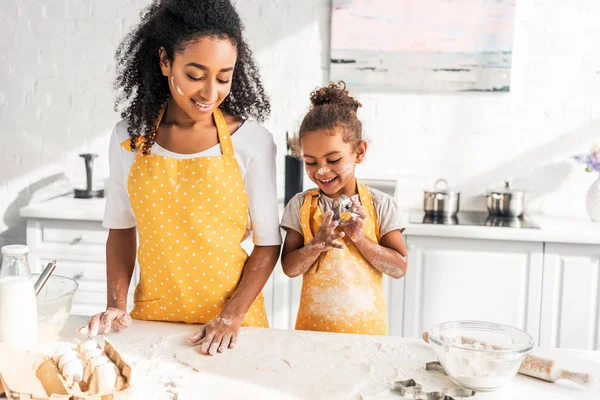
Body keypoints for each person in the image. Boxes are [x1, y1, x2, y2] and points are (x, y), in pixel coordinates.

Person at [78, 0, 281, 356]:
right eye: (195, 75)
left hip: (233, 331)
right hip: (149, 325)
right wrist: (116, 305)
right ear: (164, 61)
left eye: (223, 77)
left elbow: (267, 244)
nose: (209, 93)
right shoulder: (130, 138)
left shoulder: (252, 142)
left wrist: (231, 317)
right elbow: (121, 229)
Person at [280, 82, 407, 336]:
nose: (322, 171)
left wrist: (359, 237)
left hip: (368, 335)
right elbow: (289, 268)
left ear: (359, 152)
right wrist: (318, 243)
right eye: (311, 162)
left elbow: (398, 268)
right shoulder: (300, 205)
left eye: (334, 160)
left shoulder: (381, 205)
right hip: (312, 334)